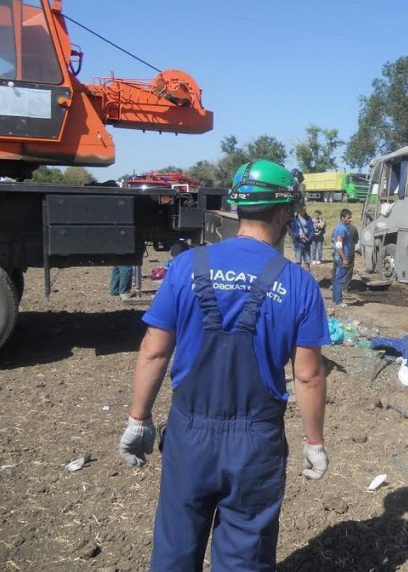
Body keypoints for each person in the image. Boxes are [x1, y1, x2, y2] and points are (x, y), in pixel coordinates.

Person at [117, 160, 331, 570]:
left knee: (175, 548)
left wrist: (138, 418)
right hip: (256, 444)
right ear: (284, 212)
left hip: (189, 436)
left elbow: (154, 351)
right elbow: (307, 374)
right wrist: (314, 441)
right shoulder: (298, 283)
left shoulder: (186, 266)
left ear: (237, 207)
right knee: (245, 556)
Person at [332, 208, 353, 308]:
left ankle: (336, 299)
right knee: (340, 279)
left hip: (338, 256)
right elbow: (339, 244)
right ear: (342, 218)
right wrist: (344, 258)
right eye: (348, 218)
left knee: (337, 278)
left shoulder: (339, 227)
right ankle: (339, 301)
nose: (350, 220)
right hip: (341, 257)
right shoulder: (342, 229)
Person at [290, 207, 315, 271]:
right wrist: (299, 236)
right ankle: (298, 277)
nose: (304, 210)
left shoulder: (308, 218)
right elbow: (291, 231)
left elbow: (312, 230)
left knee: (307, 261)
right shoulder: (294, 219)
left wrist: (308, 238)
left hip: (307, 241)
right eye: (302, 209)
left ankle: (307, 277)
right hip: (298, 241)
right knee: (298, 261)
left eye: (304, 209)